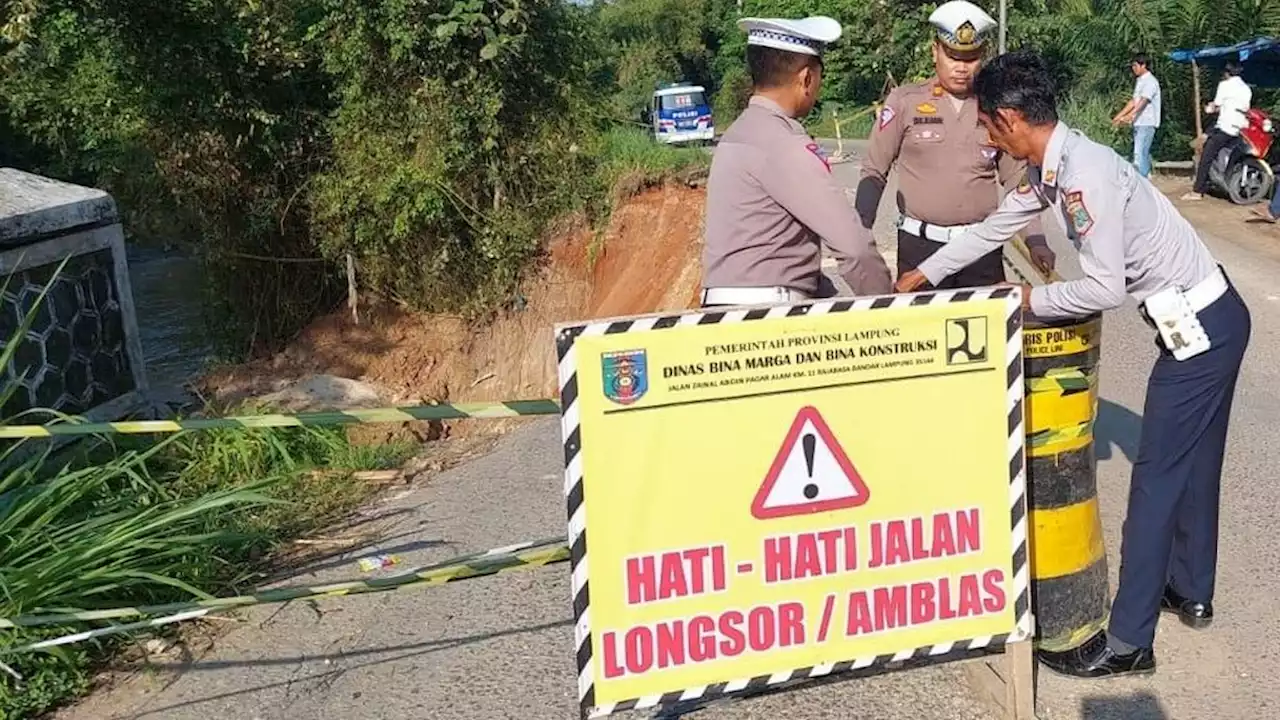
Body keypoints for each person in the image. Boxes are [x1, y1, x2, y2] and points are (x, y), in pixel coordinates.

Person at [896, 50, 1251, 678]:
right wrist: (925, 272)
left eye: (986, 125)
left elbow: (1105, 288)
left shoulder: (1082, 174)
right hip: (1208, 316)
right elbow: (993, 226)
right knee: (1193, 463)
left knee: (1157, 477)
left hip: (1200, 329)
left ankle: (1128, 640)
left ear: (1009, 119)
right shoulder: (1052, 168)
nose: (985, 137)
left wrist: (1030, 300)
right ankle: (1190, 590)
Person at [853, 0, 1054, 290]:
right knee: (923, 331)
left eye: (971, 58)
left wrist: (1036, 240)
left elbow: (1017, 184)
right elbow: (874, 171)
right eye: (953, 56)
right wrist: (859, 233)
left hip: (980, 248)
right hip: (920, 248)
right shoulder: (905, 102)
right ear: (935, 51)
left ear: (983, 56)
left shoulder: (995, 108)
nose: (961, 67)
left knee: (987, 333)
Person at [700, 16, 892, 308]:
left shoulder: (737, 135)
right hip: (770, 315)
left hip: (723, 310)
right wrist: (888, 307)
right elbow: (853, 248)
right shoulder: (784, 143)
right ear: (806, 79)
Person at [1185, 60, 1251, 201]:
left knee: (1206, 156)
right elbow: (1239, 107)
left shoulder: (1225, 85)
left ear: (1226, 73)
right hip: (1240, 129)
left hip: (1225, 127)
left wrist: (1208, 108)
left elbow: (1216, 105)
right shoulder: (1246, 88)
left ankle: (1197, 191)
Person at [1111, 52, 1162, 177]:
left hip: (1147, 122)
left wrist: (1130, 115)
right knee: (1141, 152)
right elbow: (1134, 101)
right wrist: (1119, 115)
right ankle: (1145, 177)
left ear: (1143, 65)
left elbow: (1144, 101)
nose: (1133, 69)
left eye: (1135, 66)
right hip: (1138, 122)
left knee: (1139, 154)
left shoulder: (1150, 81)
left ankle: (1142, 181)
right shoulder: (1140, 81)